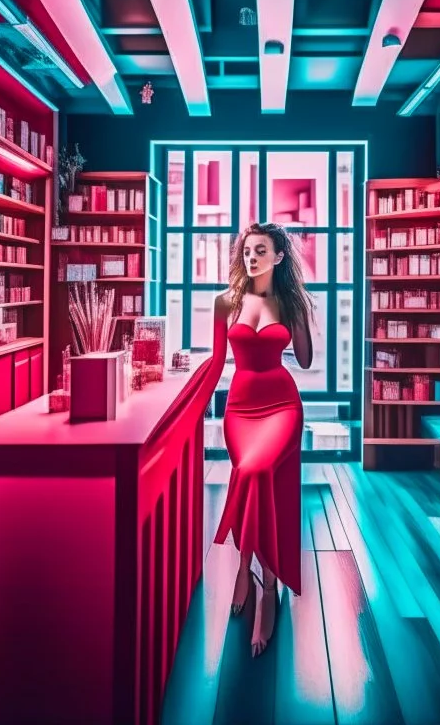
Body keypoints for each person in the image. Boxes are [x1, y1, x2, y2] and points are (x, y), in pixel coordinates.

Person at [151, 222, 313, 657]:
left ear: (279, 256)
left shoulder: (289, 301)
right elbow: (215, 364)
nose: (252, 257)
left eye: (261, 250)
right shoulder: (226, 303)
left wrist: (301, 316)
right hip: (240, 410)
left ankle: (262, 580)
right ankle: (255, 571)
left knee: (257, 472)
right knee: (250, 472)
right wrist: (182, 410)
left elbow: (305, 358)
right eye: (247, 250)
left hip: (282, 406)